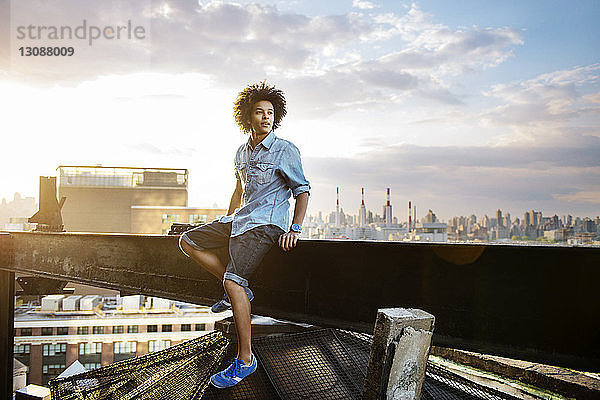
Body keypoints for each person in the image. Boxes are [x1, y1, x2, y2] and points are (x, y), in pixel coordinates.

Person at [178, 82, 310, 388]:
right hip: (240, 220)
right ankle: (241, 293)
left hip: (265, 225)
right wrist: (228, 216)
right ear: (247, 117)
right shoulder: (241, 152)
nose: (266, 117)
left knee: (232, 281)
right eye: (259, 112)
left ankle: (245, 360)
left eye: (270, 113)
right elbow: (239, 190)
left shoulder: (284, 150)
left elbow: (302, 190)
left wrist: (295, 228)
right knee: (187, 241)